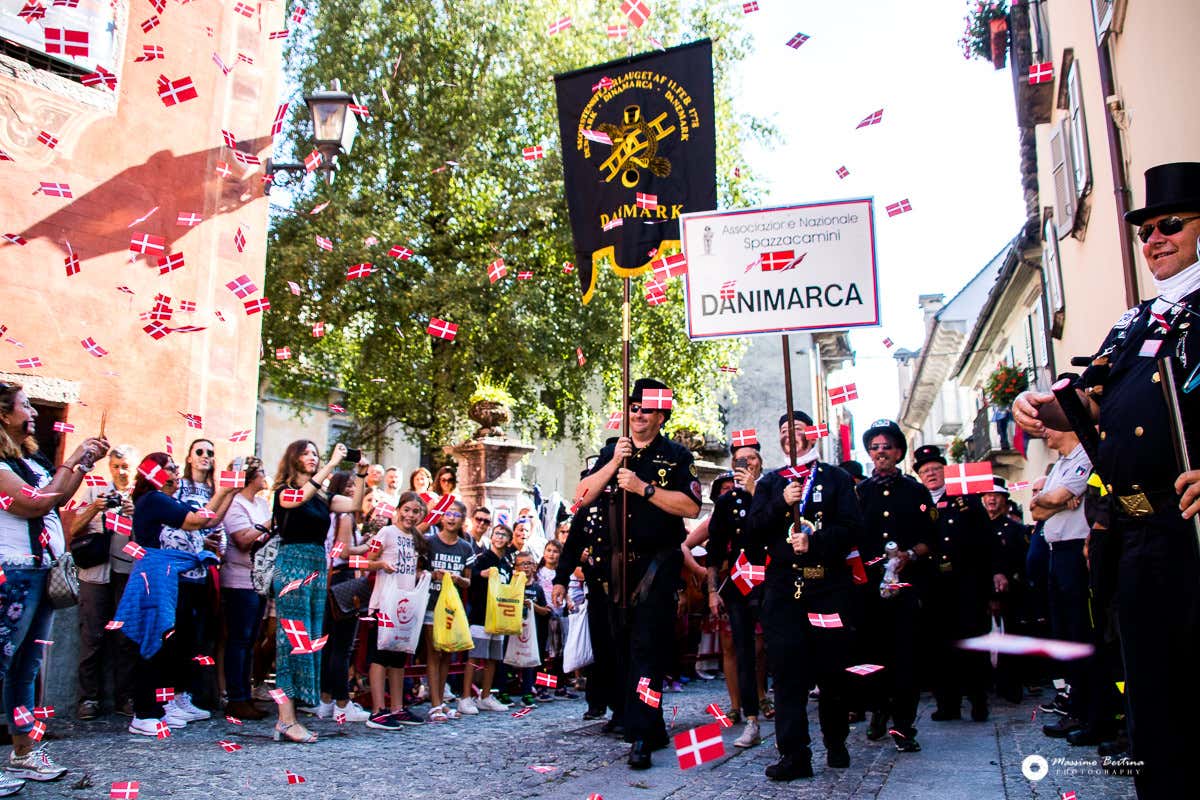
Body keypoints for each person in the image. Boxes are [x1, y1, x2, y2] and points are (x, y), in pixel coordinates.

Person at [1013, 160, 1200, 800]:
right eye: (1146, 229)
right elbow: (1087, 401)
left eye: (1171, 224)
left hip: (1192, 531)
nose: (1154, 239)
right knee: (1152, 699)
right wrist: (1039, 403)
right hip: (1136, 534)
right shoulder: (1132, 323)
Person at [556, 378, 702, 770]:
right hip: (612, 567)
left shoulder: (675, 456)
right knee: (621, 651)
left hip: (655, 567)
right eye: (634, 407)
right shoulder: (611, 451)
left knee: (647, 652)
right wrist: (612, 465)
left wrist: (643, 488)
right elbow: (580, 499)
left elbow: (690, 508)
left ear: (661, 415)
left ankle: (640, 734)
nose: (638, 415)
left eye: (647, 409)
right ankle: (648, 723)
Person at [0, 381, 107, 789]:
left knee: (25, 668)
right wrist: (75, 455)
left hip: (42, 571)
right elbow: (33, 502)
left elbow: (57, 495)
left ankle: (24, 752)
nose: (34, 414)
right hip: (11, 574)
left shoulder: (31, 459)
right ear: (4, 415)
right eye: (26, 406)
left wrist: (81, 465)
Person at [745, 411, 863, 780]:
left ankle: (836, 740)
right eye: (783, 431)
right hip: (783, 591)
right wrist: (781, 502)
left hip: (827, 588)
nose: (789, 437)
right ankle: (794, 754)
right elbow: (750, 538)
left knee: (832, 670)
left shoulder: (837, 478)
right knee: (787, 675)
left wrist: (816, 541)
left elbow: (852, 528)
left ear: (811, 434)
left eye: (797, 430)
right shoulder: (769, 483)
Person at [123, 452, 237, 736]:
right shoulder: (153, 500)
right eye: (169, 468)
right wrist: (223, 488)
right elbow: (197, 521)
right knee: (156, 639)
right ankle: (144, 711)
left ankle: (167, 702)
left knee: (178, 642)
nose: (175, 472)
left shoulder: (171, 501)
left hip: (178, 578)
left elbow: (209, 522)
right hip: (159, 578)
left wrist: (231, 491)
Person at [271, 440, 367, 743]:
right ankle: (285, 720)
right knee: (289, 640)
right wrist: (330, 465)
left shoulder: (323, 496)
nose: (313, 457)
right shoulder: (284, 492)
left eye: (316, 453)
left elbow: (353, 505)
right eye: (307, 453)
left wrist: (361, 475)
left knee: (307, 641)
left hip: (314, 567)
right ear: (293, 459)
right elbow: (299, 497)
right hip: (292, 567)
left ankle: (290, 717)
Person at [854, 419, 936, 753]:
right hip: (870, 589)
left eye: (887, 446)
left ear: (899, 452)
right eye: (875, 447)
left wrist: (910, 555)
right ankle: (878, 711)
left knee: (906, 657)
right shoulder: (859, 493)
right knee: (873, 654)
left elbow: (930, 538)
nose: (881, 452)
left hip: (906, 587)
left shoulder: (916, 492)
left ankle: (904, 725)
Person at [695, 439, 770, 750]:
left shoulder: (773, 491)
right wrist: (713, 591)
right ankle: (750, 718)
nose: (745, 466)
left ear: (760, 464)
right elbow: (714, 550)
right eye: (740, 461)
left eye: (751, 460)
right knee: (741, 648)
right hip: (740, 585)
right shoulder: (727, 503)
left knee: (775, 647)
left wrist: (755, 491)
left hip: (771, 581)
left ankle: (781, 708)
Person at [911, 445, 992, 724]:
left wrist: (991, 578)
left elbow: (985, 539)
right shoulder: (918, 503)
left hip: (965, 582)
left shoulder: (965, 499)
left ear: (945, 470)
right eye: (924, 471)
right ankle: (948, 703)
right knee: (939, 647)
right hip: (934, 584)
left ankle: (978, 701)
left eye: (935, 469)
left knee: (972, 643)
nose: (931, 474)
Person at [1030, 428, 1099, 742]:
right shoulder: (1060, 464)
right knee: (1066, 638)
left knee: (1082, 636)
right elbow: (1037, 508)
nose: (1044, 430)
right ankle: (1078, 710)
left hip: (1076, 553)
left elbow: (1051, 499)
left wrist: (1053, 501)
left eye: (1051, 424)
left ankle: (1094, 716)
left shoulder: (1085, 455)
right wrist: (1053, 502)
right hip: (1057, 554)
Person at [69, 443, 138, 720]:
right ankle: (88, 698)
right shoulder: (96, 492)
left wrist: (137, 515)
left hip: (128, 572)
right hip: (95, 573)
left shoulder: (140, 497)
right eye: (116, 467)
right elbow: (73, 529)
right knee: (92, 636)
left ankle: (126, 697)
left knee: (125, 638)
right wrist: (94, 509)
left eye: (126, 468)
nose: (121, 472)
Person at [158, 437, 223, 720]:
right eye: (199, 451)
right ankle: (166, 698)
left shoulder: (213, 490)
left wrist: (216, 543)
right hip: (177, 571)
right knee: (172, 635)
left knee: (194, 638)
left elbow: (218, 527)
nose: (205, 456)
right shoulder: (178, 486)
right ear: (189, 457)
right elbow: (174, 522)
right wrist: (199, 536)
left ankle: (184, 695)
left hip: (202, 572)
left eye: (210, 452)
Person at [360, 490, 428, 729]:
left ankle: (397, 708)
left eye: (416, 511)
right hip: (384, 601)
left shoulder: (417, 538)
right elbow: (366, 560)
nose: (410, 515)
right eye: (407, 509)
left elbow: (412, 568)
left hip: (405, 603)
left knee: (399, 655)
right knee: (381, 654)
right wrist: (380, 564)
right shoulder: (385, 532)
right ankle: (378, 710)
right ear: (398, 510)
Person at [315, 470, 372, 723]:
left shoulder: (328, 515)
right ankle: (342, 702)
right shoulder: (345, 516)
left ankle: (326, 699)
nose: (352, 489)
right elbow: (346, 551)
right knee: (343, 646)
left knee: (330, 645)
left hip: (328, 579)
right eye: (349, 485)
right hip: (344, 579)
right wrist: (369, 546)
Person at [220, 456, 271, 721]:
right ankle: (236, 697)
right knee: (239, 639)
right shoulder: (235, 504)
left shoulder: (261, 503)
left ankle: (246, 693)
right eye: (261, 471)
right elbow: (241, 540)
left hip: (260, 577)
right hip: (239, 579)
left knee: (251, 639)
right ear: (251, 476)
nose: (266, 476)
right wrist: (268, 525)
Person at [424, 499, 474, 721]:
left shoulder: (465, 547)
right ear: (441, 518)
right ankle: (434, 704)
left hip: (452, 608)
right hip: (430, 603)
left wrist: (457, 578)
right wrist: (431, 575)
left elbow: (468, 582)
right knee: (434, 653)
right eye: (448, 514)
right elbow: (418, 572)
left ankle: (442, 701)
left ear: (463, 520)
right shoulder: (430, 543)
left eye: (457, 515)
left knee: (447, 654)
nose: (452, 518)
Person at [982, 478, 1031, 701]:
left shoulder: (1015, 530)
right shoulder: (977, 528)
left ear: (1005, 500)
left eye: (997, 495)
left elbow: (1021, 562)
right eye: (988, 495)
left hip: (1010, 592)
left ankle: (1010, 686)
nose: (991, 499)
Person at [464, 523, 515, 712]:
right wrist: (480, 574)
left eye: (504, 535)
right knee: (475, 656)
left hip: (499, 616)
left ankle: (485, 695)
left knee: (493, 658)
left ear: (509, 540)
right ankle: (466, 696)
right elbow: (471, 577)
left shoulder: (506, 564)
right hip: (481, 613)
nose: (500, 537)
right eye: (497, 534)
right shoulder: (483, 558)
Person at [514, 550, 551, 708]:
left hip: (533, 632)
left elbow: (546, 610)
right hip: (514, 631)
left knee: (531, 662)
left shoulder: (537, 588)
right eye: (521, 564)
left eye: (528, 563)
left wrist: (531, 605)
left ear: (534, 566)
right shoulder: (512, 586)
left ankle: (529, 692)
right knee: (508, 661)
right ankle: (504, 690)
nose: (525, 567)